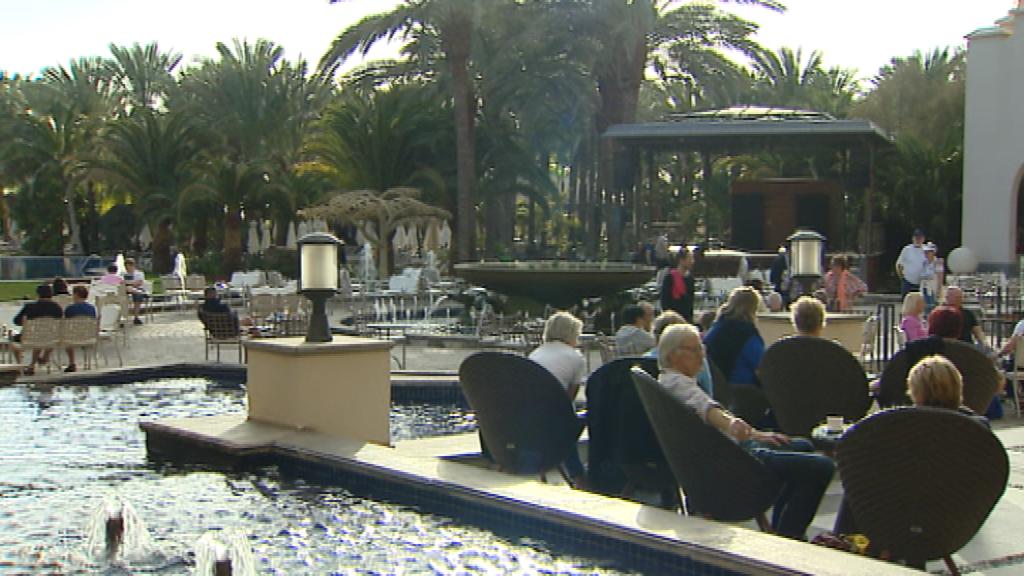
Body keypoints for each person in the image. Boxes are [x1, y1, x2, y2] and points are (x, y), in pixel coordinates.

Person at [657, 324, 834, 540]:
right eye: (694, 349)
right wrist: (731, 424)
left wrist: (758, 434)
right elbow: (706, 409)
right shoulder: (676, 383)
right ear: (673, 356)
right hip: (736, 463)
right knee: (823, 467)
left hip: (732, 453)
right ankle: (790, 535)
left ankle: (783, 531)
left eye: (701, 348)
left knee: (803, 446)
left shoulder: (671, 382)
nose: (701, 355)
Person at [835, 355, 986, 535]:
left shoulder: (899, 427)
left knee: (860, 478)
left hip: (900, 513)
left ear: (915, 391)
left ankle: (842, 538)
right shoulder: (976, 429)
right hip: (956, 516)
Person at [527, 311, 586, 483]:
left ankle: (572, 472)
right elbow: (569, 398)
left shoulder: (536, 353)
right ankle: (578, 474)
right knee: (573, 422)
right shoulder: (575, 357)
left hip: (530, 413)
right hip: (553, 415)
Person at [703, 286, 764, 388]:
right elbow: (762, 365)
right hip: (741, 389)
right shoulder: (747, 334)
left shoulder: (715, 329)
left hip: (714, 387)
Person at [12, 284, 64, 374]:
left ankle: (21, 365)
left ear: (38, 294)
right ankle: (40, 360)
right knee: (43, 336)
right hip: (51, 338)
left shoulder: (30, 307)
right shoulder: (57, 308)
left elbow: (16, 321)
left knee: (12, 341)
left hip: (30, 338)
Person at [62, 285, 97, 373]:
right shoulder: (92, 308)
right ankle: (87, 361)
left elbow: (66, 323)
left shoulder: (70, 308)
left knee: (66, 340)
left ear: (76, 295)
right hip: (89, 335)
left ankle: (72, 362)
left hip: (73, 336)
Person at [660, 248, 695, 323]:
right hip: (672, 319)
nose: (692, 261)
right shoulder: (670, 278)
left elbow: (691, 301)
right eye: (690, 259)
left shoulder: (690, 278)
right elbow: (664, 301)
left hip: (686, 319)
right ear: (681, 260)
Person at [896, 229, 927, 297]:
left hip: (922, 283)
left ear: (923, 239)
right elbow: (899, 265)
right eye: (916, 238)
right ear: (913, 238)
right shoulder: (907, 249)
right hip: (908, 282)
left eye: (920, 238)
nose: (918, 240)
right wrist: (903, 279)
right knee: (905, 301)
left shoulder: (927, 250)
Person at [123, 258, 147, 325]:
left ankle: (136, 317)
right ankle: (123, 317)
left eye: (128, 267)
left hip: (137, 288)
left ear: (133, 266)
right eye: (126, 267)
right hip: (125, 289)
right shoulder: (123, 274)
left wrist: (130, 284)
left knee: (138, 296)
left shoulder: (139, 273)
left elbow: (140, 283)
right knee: (121, 297)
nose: (127, 268)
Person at [920, 243, 939, 311]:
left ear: (933, 252)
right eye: (925, 252)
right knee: (925, 306)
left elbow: (940, 276)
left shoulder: (938, 262)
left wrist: (938, 290)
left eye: (928, 252)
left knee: (932, 306)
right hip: (924, 286)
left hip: (933, 287)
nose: (926, 254)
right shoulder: (924, 262)